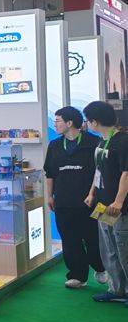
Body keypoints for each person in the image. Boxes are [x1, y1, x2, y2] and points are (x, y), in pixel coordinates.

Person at [44, 107, 106, 289]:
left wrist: (92, 194)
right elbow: (49, 173)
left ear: (70, 123)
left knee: (94, 238)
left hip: (90, 201)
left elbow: (100, 171)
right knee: (70, 239)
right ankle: (77, 276)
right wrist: (49, 196)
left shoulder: (93, 142)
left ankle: (101, 267)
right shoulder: (54, 145)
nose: (55, 124)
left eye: (58, 120)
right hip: (63, 201)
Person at [82, 101, 128, 304]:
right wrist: (92, 193)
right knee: (108, 248)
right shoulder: (101, 142)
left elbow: (126, 173)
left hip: (119, 207)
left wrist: (119, 201)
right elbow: (98, 170)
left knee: (123, 248)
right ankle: (116, 289)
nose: (87, 124)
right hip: (102, 204)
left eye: (88, 120)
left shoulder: (123, 141)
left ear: (95, 121)